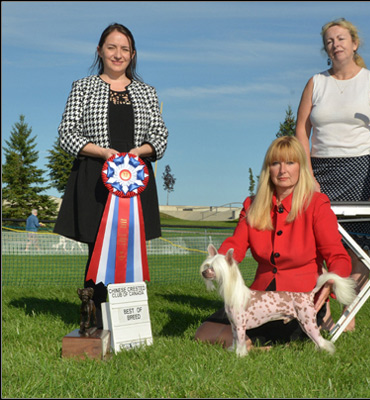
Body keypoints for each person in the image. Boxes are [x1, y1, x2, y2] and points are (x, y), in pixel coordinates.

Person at [54, 23, 168, 328]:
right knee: (99, 248)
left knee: (131, 249)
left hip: (135, 181)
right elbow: (67, 133)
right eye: (112, 47)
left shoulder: (147, 92)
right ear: (100, 51)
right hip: (94, 178)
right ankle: (93, 318)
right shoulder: (82, 87)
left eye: (125, 49)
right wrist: (103, 152)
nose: (118, 54)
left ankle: (129, 322)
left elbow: (160, 136)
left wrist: (138, 152)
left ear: (133, 54)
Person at [195, 136, 351, 349]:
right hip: (257, 299)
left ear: (301, 167)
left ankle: (256, 343)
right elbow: (236, 245)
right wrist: (217, 264)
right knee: (203, 333)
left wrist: (331, 282)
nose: (282, 170)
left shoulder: (317, 204)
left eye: (290, 162)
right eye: (276, 163)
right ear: (268, 169)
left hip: (300, 299)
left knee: (269, 335)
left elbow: (337, 255)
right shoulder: (252, 205)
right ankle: (253, 345)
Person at [295, 18, 370, 331]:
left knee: (358, 246)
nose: (335, 44)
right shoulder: (315, 83)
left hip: (363, 169)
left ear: (354, 44)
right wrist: (308, 175)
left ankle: (349, 314)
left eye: (340, 38)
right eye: (329, 40)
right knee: (318, 243)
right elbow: (301, 131)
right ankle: (322, 312)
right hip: (320, 169)